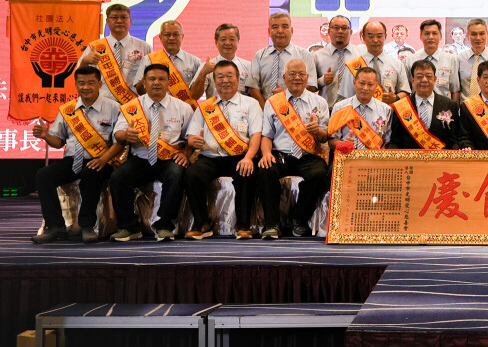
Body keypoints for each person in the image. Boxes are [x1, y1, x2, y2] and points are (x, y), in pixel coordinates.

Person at [31, 66, 124, 243]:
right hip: (72, 160)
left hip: (101, 160)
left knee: (90, 173)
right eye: (81, 83)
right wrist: (46, 135)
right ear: (75, 84)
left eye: (90, 83)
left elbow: (120, 142)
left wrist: (103, 159)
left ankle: (87, 226)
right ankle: (55, 226)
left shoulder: (114, 108)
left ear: (99, 84)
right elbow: (58, 142)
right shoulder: (68, 109)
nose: (86, 87)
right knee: (43, 175)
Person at [109, 63, 191, 242]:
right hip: (141, 157)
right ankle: (129, 227)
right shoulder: (132, 107)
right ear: (144, 83)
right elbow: (118, 133)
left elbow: (190, 138)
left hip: (169, 158)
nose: (156, 83)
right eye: (152, 79)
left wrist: (185, 153)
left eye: (161, 79)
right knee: (118, 178)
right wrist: (125, 135)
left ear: (168, 82)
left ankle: (164, 226)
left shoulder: (183, 108)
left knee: (176, 174)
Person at [182, 60, 263, 240]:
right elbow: (191, 137)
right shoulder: (205, 107)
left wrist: (249, 158)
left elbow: (256, 135)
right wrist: (194, 141)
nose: (225, 80)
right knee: (192, 175)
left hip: (239, 156)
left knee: (246, 173)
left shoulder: (250, 104)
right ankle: (202, 223)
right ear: (214, 80)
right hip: (209, 157)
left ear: (238, 79)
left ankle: (243, 225)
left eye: (229, 76)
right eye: (220, 77)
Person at [258, 59, 330, 238]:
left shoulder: (319, 102)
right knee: (266, 168)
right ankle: (272, 224)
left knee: (319, 173)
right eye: (292, 74)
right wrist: (266, 153)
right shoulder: (273, 102)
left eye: (301, 74)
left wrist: (318, 132)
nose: (297, 78)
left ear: (307, 77)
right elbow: (266, 135)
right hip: (281, 155)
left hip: (308, 154)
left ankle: (299, 219)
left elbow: (324, 137)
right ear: (284, 77)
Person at [78, 3, 151, 104]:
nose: (119, 21)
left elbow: (152, 76)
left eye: (124, 17)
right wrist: (84, 62)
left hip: (133, 103)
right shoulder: (95, 47)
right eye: (114, 17)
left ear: (130, 21)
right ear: (107, 21)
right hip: (102, 103)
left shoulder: (144, 47)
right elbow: (79, 77)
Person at [248, 12, 319, 108]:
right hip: (265, 110)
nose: (280, 31)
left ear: (292, 30)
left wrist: (287, 93)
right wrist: (265, 108)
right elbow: (252, 86)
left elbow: (311, 86)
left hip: (296, 111)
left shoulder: (304, 55)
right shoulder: (259, 55)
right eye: (275, 27)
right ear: (269, 31)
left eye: (285, 27)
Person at [387, 60, 461, 150]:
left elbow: (454, 140)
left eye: (429, 76)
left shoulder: (449, 105)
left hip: (441, 157)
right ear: (412, 80)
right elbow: (395, 142)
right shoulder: (400, 106)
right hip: (410, 158)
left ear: (434, 79)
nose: (424, 80)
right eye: (419, 77)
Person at [133, 20, 203, 105]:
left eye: (176, 34)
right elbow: (140, 91)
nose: (171, 38)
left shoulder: (195, 61)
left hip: (184, 109)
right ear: (160, 37)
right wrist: (149, 75)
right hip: (156, 108)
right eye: (167, 34)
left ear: (182, 36)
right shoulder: (149, 60)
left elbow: (197, 94)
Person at [190, 23, 252, 100]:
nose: (227, 43)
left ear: (238, 41)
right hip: (215, 107)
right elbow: (194, 96)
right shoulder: (206, 66)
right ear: (216, 42)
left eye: (232, 39)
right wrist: (203, 74)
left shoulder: (248, 67)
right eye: (223, 39)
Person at [354, 20, 411, 104]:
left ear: (385, 36)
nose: (375, 40)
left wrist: (395, 97)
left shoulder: (397, 64)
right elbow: (347, 94)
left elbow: (405, 91)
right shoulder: (355, 64)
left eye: (379, 36)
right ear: (363, 37)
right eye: (371, 36)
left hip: (389, 110)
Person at [404, 19, 461, 100]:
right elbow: (405, 91)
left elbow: (455, 90)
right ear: (421, 36)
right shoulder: (409, 61)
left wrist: (454, 108)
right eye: (427, 33)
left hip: (443, 106)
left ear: (441, 36)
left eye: (434, 33)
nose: (431, 37)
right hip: (417, 106)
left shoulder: (451, 60)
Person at [314, 15, 361, 107]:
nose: (340, 31)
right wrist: (322, 81)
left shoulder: (362, 55)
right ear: (329, 31)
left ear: (351, 32)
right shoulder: (317, 56)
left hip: (355, 109)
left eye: (344, 28)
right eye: (336, 28)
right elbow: (308, 86)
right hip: (328, 110)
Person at [457, 19, 488, 100]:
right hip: (465, 106)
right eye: (474, 34)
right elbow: (455, 89)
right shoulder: (459, 59)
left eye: (482, 34)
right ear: (468, 36)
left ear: (487, 34)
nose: (478, 38)